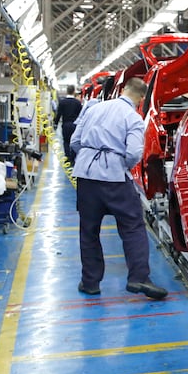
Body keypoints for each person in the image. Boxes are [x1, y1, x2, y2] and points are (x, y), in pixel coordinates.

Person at [70, 77, 167, 300]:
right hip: (113, 176)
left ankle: (90, 282)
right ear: (142, 99)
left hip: (85, 175)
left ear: (123, 90)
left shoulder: (94, 107)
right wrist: (117, 164)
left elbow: (75, 141)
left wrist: (86, 160)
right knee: (132, 225)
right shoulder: (133, 117)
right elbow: (134, 152)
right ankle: (139, 277)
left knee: (88, 230)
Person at [52, 85, 83, 164]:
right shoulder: (77, 103)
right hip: (75, 125)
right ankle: (73, 158)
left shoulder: (62, 102)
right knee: (74, 141)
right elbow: (81, 115)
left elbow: (58, 114)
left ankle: (67, 157)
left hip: (65, 125)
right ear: (73, 92)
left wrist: (55, 124)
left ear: (67, 91)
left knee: (66, 141)